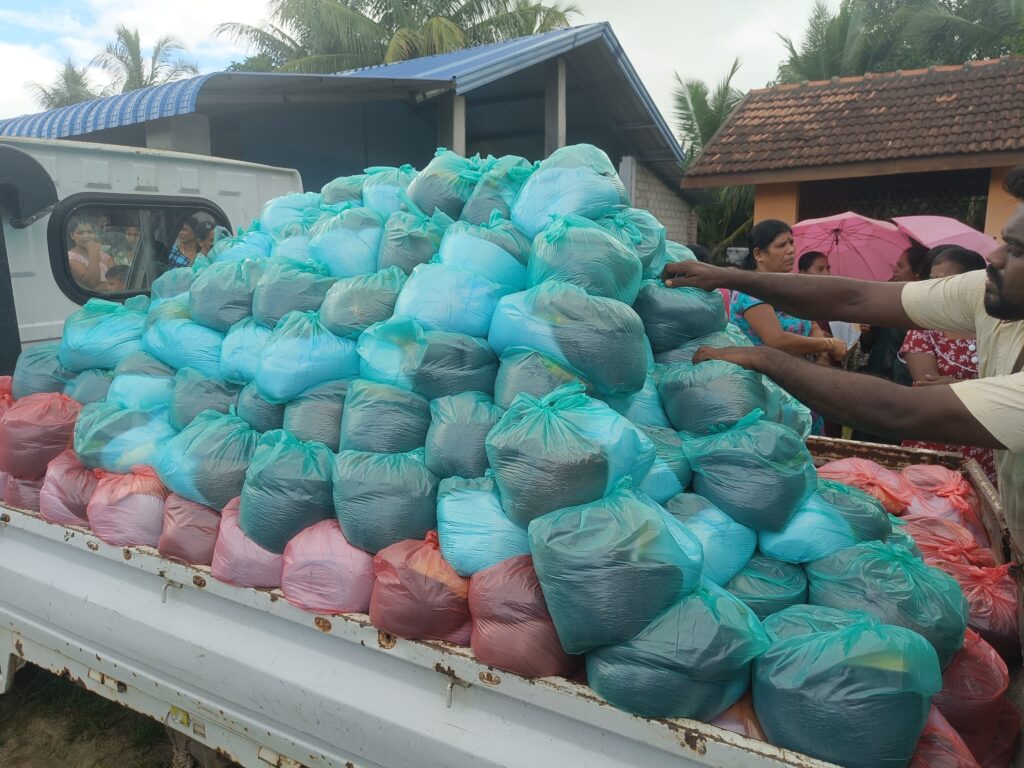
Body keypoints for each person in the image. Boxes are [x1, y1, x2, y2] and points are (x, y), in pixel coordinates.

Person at [662, 168, 1024, 542]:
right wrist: (727, 276)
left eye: (1016, 250)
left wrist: (766, 358)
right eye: (1004, 242)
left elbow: (899, 410)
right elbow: (856, 298)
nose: (993, 257)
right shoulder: (988, 291)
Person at [898, 246, 996, 481]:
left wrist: (954, 384)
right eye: (932, 280)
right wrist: (982, 388)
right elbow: (927, 385)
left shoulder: (995, 326)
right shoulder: (923, 326)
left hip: (984, 441)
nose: (935, 289)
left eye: (945, 282)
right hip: (935, 436)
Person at [67, 217, 113, 290]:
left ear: (95, 234)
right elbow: (91, 284)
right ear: (72, 235)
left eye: (90, 232)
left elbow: (116, 282)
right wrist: (93, 253)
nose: (86, 236)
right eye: (80, 233)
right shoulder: (70, 258)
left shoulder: (106, 257)